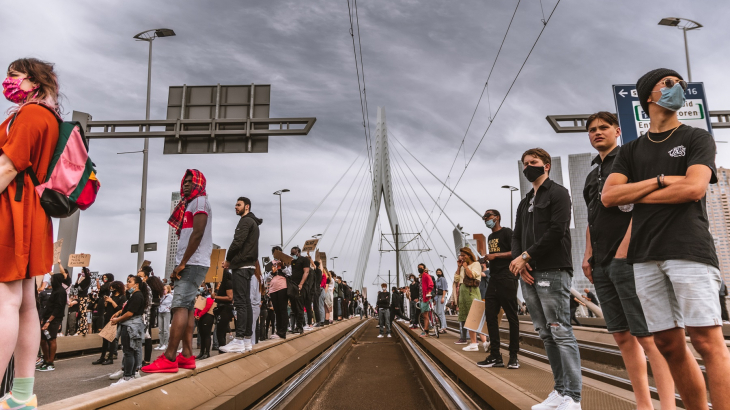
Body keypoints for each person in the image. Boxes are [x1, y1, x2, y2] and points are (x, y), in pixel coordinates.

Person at [603, 68, 730, 410]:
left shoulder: (696, 138)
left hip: (689, 249)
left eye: (681, 84)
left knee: (707, 341)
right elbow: (609, 197)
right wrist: (661, 181)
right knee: (668, 344)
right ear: (649, 96)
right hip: (645, 255)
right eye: (669, 83)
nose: (679, 88)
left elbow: (693, 188)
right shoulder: (629, 151)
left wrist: (636, 192)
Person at [0, 58, 62, 409]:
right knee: (24, 305)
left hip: (14, 210)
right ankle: (21, 396)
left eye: (14, 75)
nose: (7, 80)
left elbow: (8, 166)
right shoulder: (48, 115)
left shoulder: (30, 115)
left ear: (33, 81)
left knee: (5, 302)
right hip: (33, 213)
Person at [511, 147, 581, 410]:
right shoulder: (524, 201)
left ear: (546, 165)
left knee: (560, 331)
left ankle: (573, 398)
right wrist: (520, 262)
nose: (529, 166)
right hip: (528, 273)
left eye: (534, 162)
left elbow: (557, 229)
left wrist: (525, 256)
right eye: (525, 163)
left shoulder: (558, 193)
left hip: (552, 269)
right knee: (544, 332)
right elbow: (517, 235)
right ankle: (560, 391)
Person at [142, 169, 212, 374]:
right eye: (185, 181)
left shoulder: (199, 202)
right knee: (188, 308)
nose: (187, 184)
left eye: (191, 181)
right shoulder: (191, 204)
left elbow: (198, 233)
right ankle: (187, 355)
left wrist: (182, 263)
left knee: (179, 307)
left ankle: (170, 356)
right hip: (192, 262)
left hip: (192, 262)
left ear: (199, 183)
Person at [478, 209, 520, 370]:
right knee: (490, 316)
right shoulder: (490, 237)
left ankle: (514, 356)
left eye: (488, 217)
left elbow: (515, 253)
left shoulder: (507, 232)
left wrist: (495, 256)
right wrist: (487, 260)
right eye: (485, 218)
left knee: (511, 317)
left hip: (507, 278)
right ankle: (496, 355)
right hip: (493, 279)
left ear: (497, 218)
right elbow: (495, 257)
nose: (486, 220)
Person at [219, 197, 262, 353]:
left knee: (241, 303)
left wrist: (229, 260)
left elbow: (237, 242)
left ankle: (239, 339)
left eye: (239, 204)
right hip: (249, 265)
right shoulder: (254, 223)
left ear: (247, 206)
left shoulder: (245, 221)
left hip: (242, 265)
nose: (235, 207)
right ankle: (246, 340)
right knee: (246, 302)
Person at [110, 276, 150, 386]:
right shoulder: (135, 295)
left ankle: (127, 376)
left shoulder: (137, 296)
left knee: (128, 351)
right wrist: (119, 313)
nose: (127, 284)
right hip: (134, 326)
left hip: (130, 326)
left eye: (130, 282)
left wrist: (117, 320)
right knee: (131, 350)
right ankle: (131, 375)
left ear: (136, 284)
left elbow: (130, 313)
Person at [456, 248, 488, 352]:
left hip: (471, 292)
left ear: (469, 255)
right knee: (467, 317)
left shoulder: (476, 264)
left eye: (464, 255)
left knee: (474, 317)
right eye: (461, 255)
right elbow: (457, 279)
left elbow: (472, 275)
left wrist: (465, 267)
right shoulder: (462, 266)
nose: (462, 257)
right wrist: (459, 267)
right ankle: (482, 343)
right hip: (463, 293)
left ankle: (476, 343)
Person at [38, 272, 68, 372]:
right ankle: (46, 360)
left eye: (52, 279)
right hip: (46, 318)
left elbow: (58, 308)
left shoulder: (60, 292)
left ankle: (50, 362)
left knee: (51, 339)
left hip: (54, 319)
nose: (50, 280)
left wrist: (49, 321)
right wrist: (43, 319)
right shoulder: (55, 290)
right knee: (43, 340)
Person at [93, 280, 126, 366]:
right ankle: (102, 357)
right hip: (107, 317)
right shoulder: (111, 295)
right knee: (104, 338)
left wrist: (111, 301)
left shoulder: (122, 297)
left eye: (113, 287)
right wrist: (106, 302)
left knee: (111, 339)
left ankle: (110, 357)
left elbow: (120, 309)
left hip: (114, 319)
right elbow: (107, 308)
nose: (111, 289)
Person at [140, 269, 163, 365]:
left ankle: (146, 360)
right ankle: (146, 359)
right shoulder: (154, 287)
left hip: (147, 313)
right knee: (148, 336)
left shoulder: (147, 287)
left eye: (140, 276)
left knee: (147, 336)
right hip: (152, 312)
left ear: (145, 277)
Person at [288, 247, 310, 333]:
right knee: (294, 307)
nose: (293, 255)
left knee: (299, 307)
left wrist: (301, 284)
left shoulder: (304, 260)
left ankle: (300, 326)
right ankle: (297, 325)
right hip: (292, 286)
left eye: (294, 254)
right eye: (291, 254)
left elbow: (306, 272)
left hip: (300, 286)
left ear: (298, 253)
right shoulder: (292, 261)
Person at [212, 271, 234, 350]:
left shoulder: (228, 283)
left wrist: (216, 297)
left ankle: (222, 350)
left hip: (225, 309)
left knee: (220, 332)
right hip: (222, 309)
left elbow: (230, 297)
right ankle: (222, 349)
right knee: (220, 332)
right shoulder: (223, 284)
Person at [268, 261, 289, 339]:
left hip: (282, 287)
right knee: (277, 311)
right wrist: (272, 272)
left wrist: (282, 266)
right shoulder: (271, 264)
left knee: (283, 309)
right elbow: (267, 278)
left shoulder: (285, 263)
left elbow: (289, 273)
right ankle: (278, 330)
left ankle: (282, 332)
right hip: (273, 289)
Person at [194, 285, 215, 360]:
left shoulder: (209, 297)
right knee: (202, 334)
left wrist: (199, 315)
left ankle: (207, 352)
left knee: (206, 335)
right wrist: (195, 315)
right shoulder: (201, 297)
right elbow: (197, 306)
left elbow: (208, 306)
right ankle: (202, 352)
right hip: (201, 317)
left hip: (207, 317)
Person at [73, 268, 92, 336]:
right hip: (80, 297)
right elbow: (75, 286)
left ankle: (83, 330)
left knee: (83, 314)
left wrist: (83, 265)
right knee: (81, 313)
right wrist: (78, 278)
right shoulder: (82, 279)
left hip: (84, 297)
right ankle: (81, 329)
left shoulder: (88, 279)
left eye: (83, 272)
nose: (82, 273)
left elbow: (86, 275)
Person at [418, 264, 434, 338]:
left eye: (421, 268)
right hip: (421, 298)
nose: (419, 269)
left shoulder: (426, 275)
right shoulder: (421, 277)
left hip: (425, 298)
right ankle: (426, 330)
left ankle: (426, 331)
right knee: (424, 315)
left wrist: (429, 292)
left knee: (425, 315)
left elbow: (431, 284)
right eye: (418, 268)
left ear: (424, 268)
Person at [157, 285, 173, 350]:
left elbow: (173, 303)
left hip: (166, 312)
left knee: (166, 329)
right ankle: (161, 344)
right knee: (160, 329)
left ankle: (165, 344)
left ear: (168, 289)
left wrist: (169, 307)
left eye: (165, 289)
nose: (164, 290)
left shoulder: (170, 296)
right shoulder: (161, 296)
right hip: (160, 312)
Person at [432, 269, 448, 334]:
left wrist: (443, 297)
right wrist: (435, 299)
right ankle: (444, 327)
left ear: (441, 272)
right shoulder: (437, 280)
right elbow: (436, 290)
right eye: (437, 272)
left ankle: (442, 327)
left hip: (441, 296)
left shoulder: (442, 279)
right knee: (439, 312)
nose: (438, 273)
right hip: (437, 296)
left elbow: (445, 289)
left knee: (440, 312)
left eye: (439, 272)